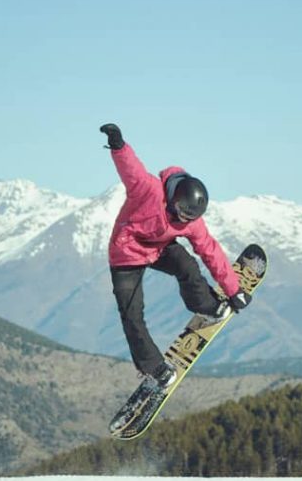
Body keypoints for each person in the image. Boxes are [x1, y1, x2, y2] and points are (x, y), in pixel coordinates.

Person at [100, 123, 251, 391]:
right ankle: (154, 368)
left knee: (188, 265)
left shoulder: (191, 222)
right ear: (174, 198)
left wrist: (234, 290)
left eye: (188, 218)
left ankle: (205, 305)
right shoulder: (149, 190)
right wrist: (118, 144)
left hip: (159, 247)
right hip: (126, 253)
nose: (182, 220)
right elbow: (130, 168)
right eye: (180, 213)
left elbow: (209, 250)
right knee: (132, 314)